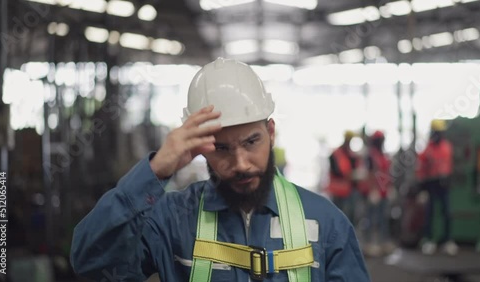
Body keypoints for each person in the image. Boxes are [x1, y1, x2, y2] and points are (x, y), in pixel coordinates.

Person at [70, 58, 370, 282]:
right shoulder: (172, 220)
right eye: (221, 148)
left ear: (271, 133)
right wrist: (156, 170)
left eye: (252, 141)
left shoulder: (327, 223)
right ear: (200, 147)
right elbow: (90, 263)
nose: (240, 164)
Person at [417, 119, 457, 256]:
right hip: (431, 185)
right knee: (430, 214)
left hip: (444, 184)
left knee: (447, 213)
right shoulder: (427, 149)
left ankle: (447, 241)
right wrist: (422, 188)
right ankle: (428, 240)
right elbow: (421, 169)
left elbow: (449, 165)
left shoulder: (447, 147)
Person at [362, 131, 394, 257]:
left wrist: (389, 188)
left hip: (384, 192)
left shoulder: (383, 155)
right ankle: (369, 244)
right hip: (374, 193)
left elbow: (386, 172)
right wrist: (372, 190)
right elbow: (369, 174)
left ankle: (383, 242)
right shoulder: (370, 156)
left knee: (383, 218)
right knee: (370, 218)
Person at [327, 131, 366, 224]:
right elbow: (339, 171)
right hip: (338, 190)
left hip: (348, 190)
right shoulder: (336, 154)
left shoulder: (351, 154)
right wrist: (351, 175)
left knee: (349, 215)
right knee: (338, 216)